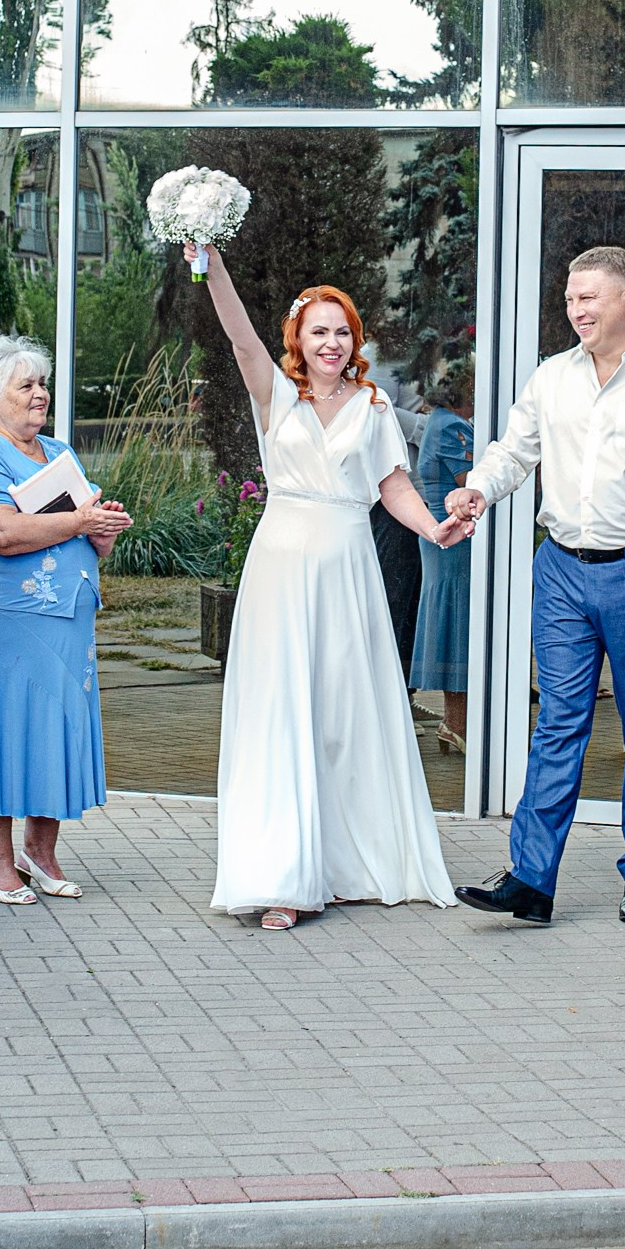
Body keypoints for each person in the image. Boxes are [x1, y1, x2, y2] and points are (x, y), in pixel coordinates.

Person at [447, 245, 625, 929]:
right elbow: (514, 450)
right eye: (570, 300)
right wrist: (479, 490)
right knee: (558, 722)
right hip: (560, 568)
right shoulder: (552, 376)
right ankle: (530, 878)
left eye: (588, 298)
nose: (575, 310)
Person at [201, 256, 457, 929]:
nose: (331, 343)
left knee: (343, 717)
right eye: (318, 331)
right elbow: (239, 337)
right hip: (280, 571)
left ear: (355, 340)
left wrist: (433, 529)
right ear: (298, 339)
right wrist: (212, 263)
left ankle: (343, 866)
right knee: (280, 715)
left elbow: (392, 486)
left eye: (341, 332)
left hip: (346, 569)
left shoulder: (374, 408)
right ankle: (283, 877)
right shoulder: (275, 396)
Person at [0, 336, 130, 902]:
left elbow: (84, 537)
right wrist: (78, 523)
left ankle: (40, 854)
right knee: (3, 733)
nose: (39, 394)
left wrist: (102, 531)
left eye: (41, 383)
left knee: (56, 730)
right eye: (25, 385)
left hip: (67, 618)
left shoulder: (58, 453)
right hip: (5, 620)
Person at [413, 367, 475, 752]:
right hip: (454, 538)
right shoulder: (452, 426)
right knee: (460, 627)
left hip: (444, 537)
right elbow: (472, 482)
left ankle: (455, 724)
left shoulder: (439, 422)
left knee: (455, 626)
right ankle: (459, 724)